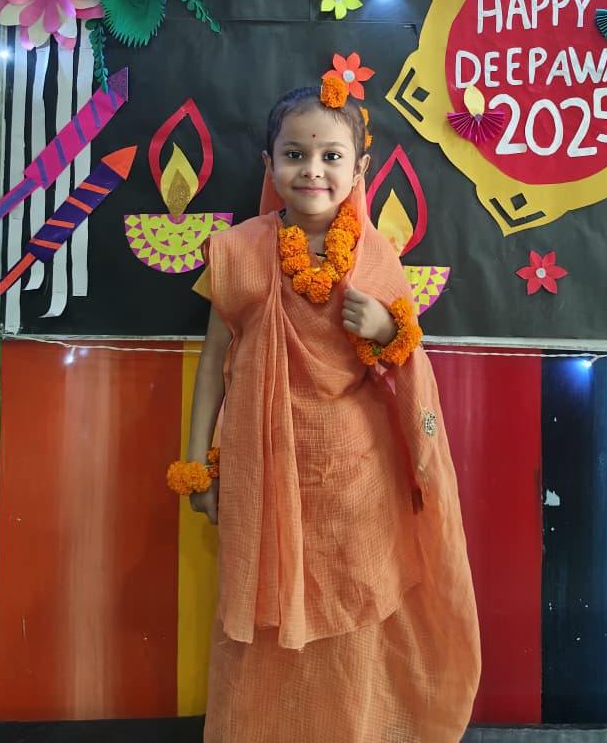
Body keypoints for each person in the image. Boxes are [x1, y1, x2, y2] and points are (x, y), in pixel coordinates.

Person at [167, 79, 481, 743]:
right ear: (269, 163)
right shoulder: (237, 251)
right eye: (295, 154)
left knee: (352, 613)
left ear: (359, 168)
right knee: (260, 617)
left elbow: (406, 365)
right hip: (259, 473)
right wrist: (197, 466)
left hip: (354, 481)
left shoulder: (375, 256)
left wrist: (387, 330)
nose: (313, 170)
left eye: (331, 156)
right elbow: (214, 363)